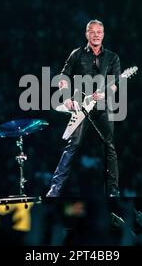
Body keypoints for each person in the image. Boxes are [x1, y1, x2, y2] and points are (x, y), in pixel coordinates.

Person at [46, 19, 121, 197]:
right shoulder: (77, 54)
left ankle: (113, 192)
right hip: (81, 105)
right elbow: (64, 76)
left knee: (109, 146)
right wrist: (65, 96)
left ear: (103, 35)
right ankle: (54, 191)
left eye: (99, 32)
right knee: (73, 145)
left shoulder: (112, 57)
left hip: (101, 106)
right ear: (87, 34)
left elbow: (115, 83)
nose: (96, 35)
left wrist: (106, 94)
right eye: (92, 32)